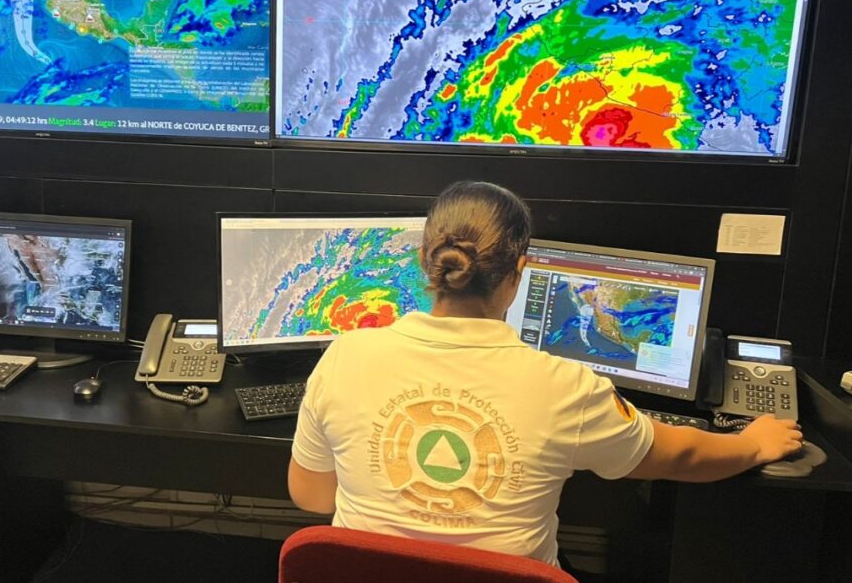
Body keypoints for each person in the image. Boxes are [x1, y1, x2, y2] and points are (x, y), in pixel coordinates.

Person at [287, 180, 802, 566]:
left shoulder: (344, 357)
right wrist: (755, 444)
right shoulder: (567, 388)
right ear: (519, 273)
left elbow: (312, 497)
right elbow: (683, 455)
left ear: (425, 259)